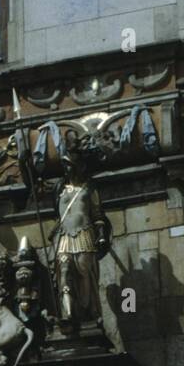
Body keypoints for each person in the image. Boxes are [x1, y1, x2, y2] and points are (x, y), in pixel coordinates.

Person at [52, 141, 111, 330]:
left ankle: (89, 311)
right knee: (64, 271)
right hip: (64, 236)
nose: (66, 168)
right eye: (65, 165)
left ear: (79, 166)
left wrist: (101, 234)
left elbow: (98, 214)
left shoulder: (89, 189)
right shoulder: (59, 188)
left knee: (84, 273)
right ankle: (67, 313)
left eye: (69, 164)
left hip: (84, 232)